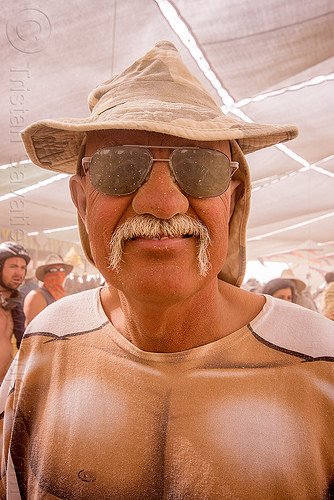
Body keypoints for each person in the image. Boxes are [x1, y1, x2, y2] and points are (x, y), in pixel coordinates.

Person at [0, 40, 333, 499]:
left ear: (232, 200)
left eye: (200, 167)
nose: (162, 202)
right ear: (81, 201)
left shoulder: (321, 362)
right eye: (119, 166)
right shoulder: (47, 344)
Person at [0, 242, 30, 384]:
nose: (19, 273)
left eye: (22, 267)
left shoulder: (14, 305)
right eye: (13, 266)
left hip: (6, 387)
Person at [23, 254, 73, 326]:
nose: (58, 274)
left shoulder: (62, 296)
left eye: (61, 270)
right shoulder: (36, 296)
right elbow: (32, 332)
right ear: (45, 275)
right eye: (53, 270)